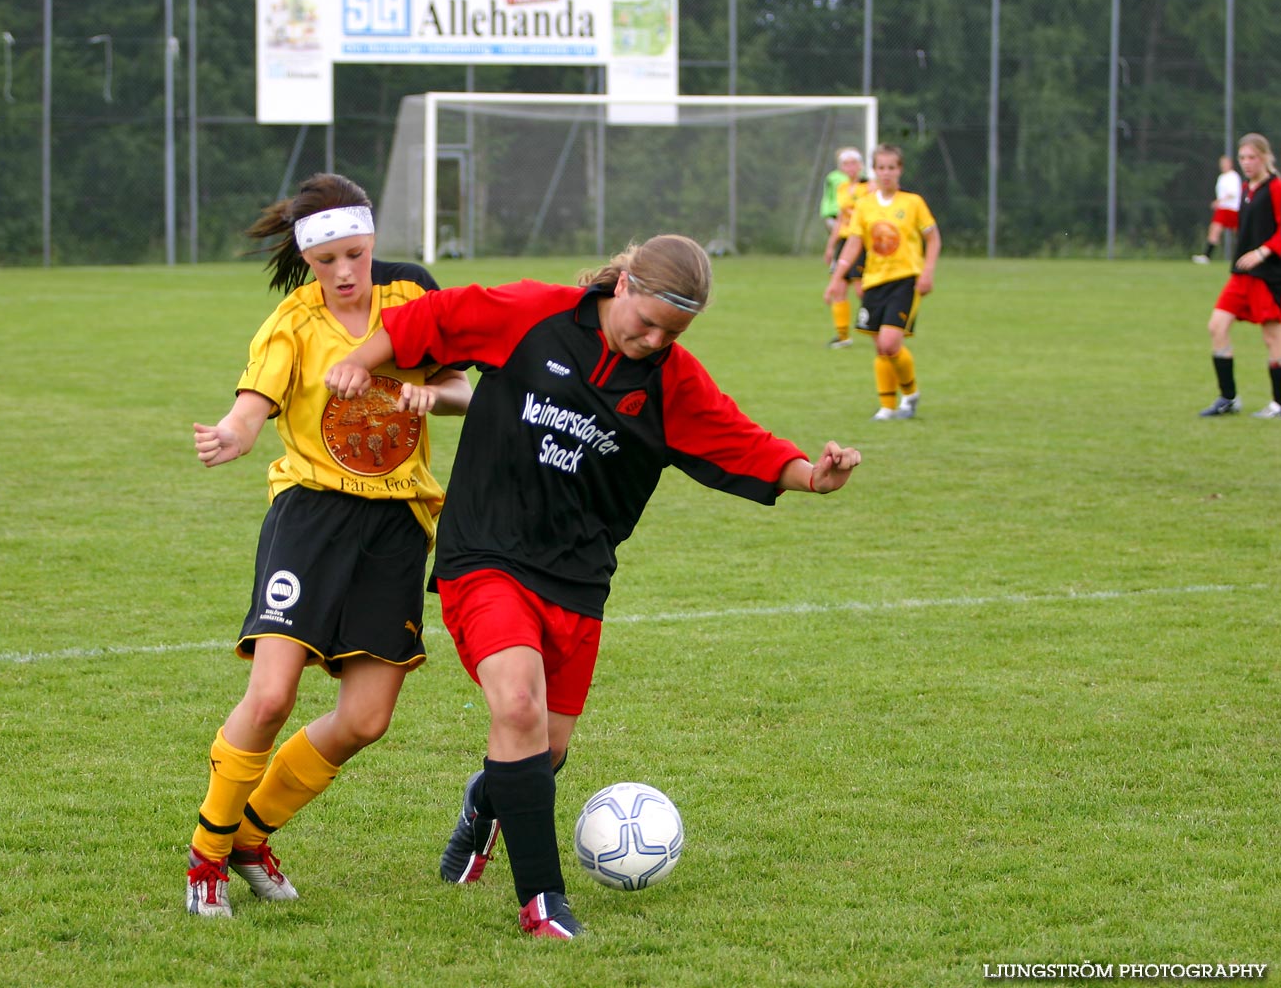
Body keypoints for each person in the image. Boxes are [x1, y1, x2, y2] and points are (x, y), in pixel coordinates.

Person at [324, 234, 862, 939]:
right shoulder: (532, 314)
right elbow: (430, 321)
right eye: (647, 320)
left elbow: (740, 442)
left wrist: (811, 475)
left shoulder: (672, 381)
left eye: (672, 333)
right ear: (625, 284)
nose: (653, 339)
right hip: (484, 551)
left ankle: (485, 806)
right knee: (516, 704)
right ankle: (543, 903)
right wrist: (357, 363)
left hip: (578, 577)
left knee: (543, 751)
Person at [184, 173, 472, 918]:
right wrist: (232, 435)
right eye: (326, 261)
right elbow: (252, 410)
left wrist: (428, 394)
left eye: (356, 254)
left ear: (374, 243)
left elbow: (466, 390)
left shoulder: (411, 304)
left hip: (398, 524)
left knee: (368, 718)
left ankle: (251, 836)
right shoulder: (292, 324)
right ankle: (207, 855)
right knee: (273, 693)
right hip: (310, 517)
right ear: (307, 261)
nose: (344, 273)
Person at [824, 144, 941, 420]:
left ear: (899, 170)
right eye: (881, 168)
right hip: (874, 280)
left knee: (889, 343)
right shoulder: (865, 205)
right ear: (873, 171)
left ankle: (910, 395)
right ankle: (888, 407)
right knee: (880, 347)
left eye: (891, 167)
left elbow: (933, 238)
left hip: (905, 280)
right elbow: (854, 244)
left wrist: (928, 272)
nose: (886, 173)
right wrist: (837, 278)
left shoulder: (913, 203)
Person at [1197, 133, 1281, 419]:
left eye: (1252, 157)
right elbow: (1240, 224)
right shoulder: (1247, 189)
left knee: (1273, 338)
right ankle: (1228, 398)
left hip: (1267, 275)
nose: (1246, 163)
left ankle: (1278, 403)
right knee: (1217, 326)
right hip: (1241, 275)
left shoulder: (1275, 187)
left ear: (1265, 157)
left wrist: (1263, 251)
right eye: (1243, 158)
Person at [822, 147, 871, 349]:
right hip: (845, 242)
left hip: (860, 242)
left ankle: (881, 324)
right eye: (846, 164)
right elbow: (842, 219)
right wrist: (831, 246)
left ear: (860, 165)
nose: (850, 167)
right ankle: (842, 336)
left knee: (862, 290)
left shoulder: (869, 187)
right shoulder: (842, 189)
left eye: (853, 163)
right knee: (839, 288)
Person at [1193, 155, 1242, 265]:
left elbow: (1232, 193)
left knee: (1239, 233)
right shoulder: (1222, 177)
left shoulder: (1233, 176)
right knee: (1214, 229)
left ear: (1230, 164)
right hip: (1223, 208)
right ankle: (1206, 256)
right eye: (1222, 163)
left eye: (1225, 163)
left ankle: (1244, 254)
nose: (1223, 165)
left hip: (1232, 208)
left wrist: (1218, 201)